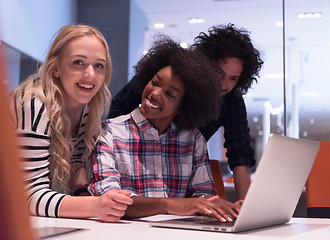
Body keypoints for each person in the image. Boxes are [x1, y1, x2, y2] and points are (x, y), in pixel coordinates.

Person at [89, 37, 241, 222]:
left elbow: (202, 192)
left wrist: (214, 203)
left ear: (183, 107)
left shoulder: (193, 140)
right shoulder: (109, 133)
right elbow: (110, 202)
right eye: (154, 82)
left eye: (169, 94)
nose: (154, 93)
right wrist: (169, 204)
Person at [108, 24, 264, 200]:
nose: (223, 84)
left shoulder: (228, 104)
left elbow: (240, 155)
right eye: (219, 73)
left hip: (187, 176)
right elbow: (120, 105)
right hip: (140, 167)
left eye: (233, 79)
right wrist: (119, 147)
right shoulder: (171, 77)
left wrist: (246, 208)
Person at [9, 24, 133, 222]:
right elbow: (28, 196)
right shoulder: (34, 105)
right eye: (78, 62)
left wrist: (82, 193)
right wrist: (95, 205)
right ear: (56, 68)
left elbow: (75, 160)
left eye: (99, 65)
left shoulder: (85, 106)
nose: (90, 74)